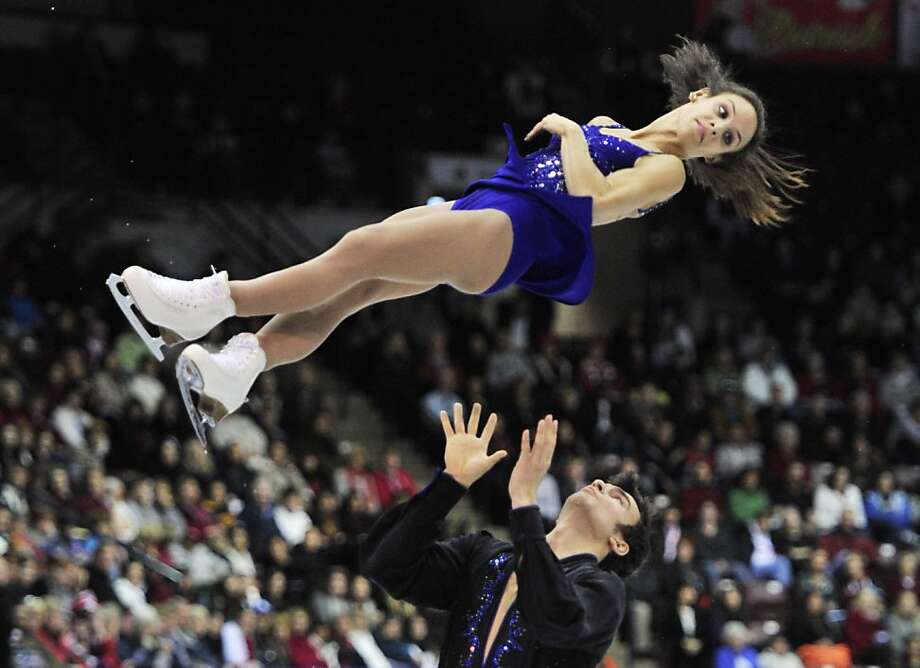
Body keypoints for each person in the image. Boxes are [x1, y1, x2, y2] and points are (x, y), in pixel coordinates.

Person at [106, 39, 807, 442]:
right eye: (723, 114)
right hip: (487, 205)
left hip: (511, 234)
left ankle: (209, 304)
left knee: (357, 252)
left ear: (717, 159)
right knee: (358, 287)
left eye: (728, 139)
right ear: (700, 96)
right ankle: (239, 367)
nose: (717, 129)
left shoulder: (667, 171)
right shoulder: (615, 127)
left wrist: (572, 134)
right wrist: (581, 134)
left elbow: (593, 203)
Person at [360, 403, 652, 666]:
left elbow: (553, 615)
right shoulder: (484, 553)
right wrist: (450, 483)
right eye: (603, 482)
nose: (600, 483)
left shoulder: (603, 592)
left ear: (620, 543)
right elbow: (387, 566)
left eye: (618, 499)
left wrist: (525, 502)